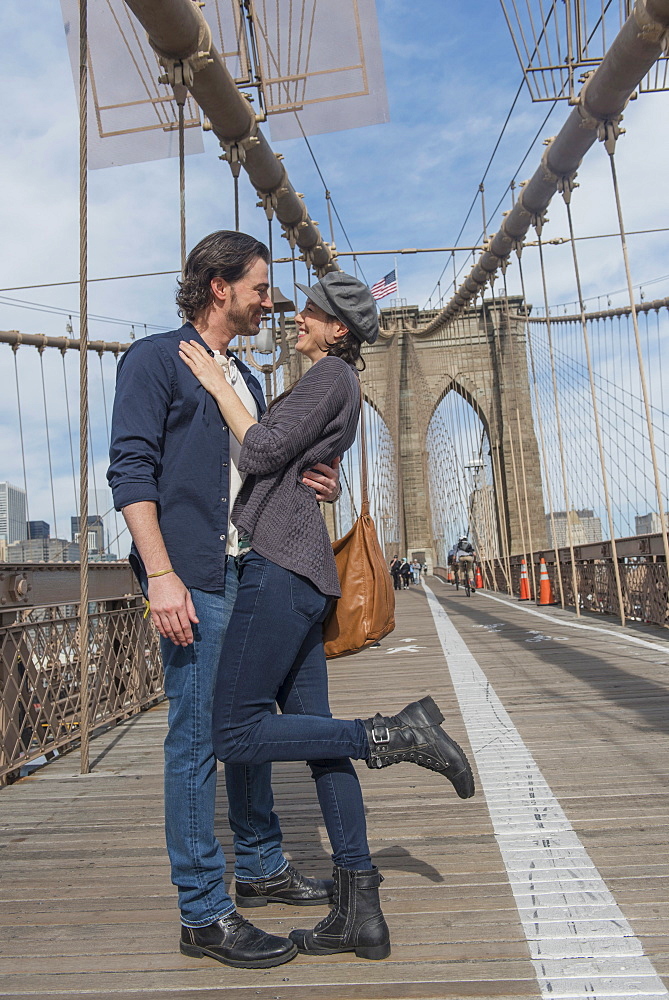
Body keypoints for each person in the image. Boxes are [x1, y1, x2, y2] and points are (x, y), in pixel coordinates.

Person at [178, 270, 475, 963]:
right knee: (318, 744)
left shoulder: (327, 378)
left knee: (233, 732)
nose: (298, 318)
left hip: (279, 566)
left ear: (339, 328)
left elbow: (256, 450)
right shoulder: (332, 384)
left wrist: (218, 383)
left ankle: (393, 733)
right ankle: (358, 913)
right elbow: (289, 457)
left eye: (311, 311)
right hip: (304, 566)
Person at [107, 231, 343, 971]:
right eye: (260, 286)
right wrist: (161, 576)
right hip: (193, 576)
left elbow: (260, 464)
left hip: (254, 570)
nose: (269, 300)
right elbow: (131, 474)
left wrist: (317, 481)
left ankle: (263, 865)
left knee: (244, 725)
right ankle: (204, 912)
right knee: (197, 738)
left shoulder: (244, 375)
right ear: (219, 286)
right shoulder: (153, 360)